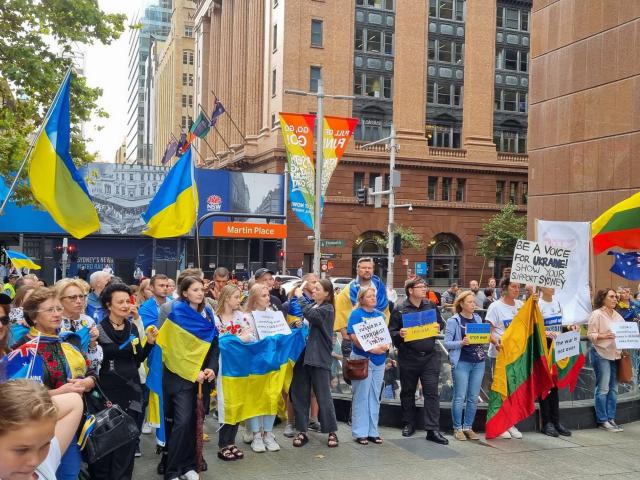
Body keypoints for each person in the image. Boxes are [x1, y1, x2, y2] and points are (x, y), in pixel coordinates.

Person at [17, 287, 96, 480]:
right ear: (34, 316)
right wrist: (59, 393)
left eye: (59, 309)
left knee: (69, 474)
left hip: (71, 426)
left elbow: (92, 371)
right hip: (35, 427)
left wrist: (87, 382)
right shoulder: (21, 348)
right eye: (50, 310)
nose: (57, 314)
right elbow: (15, 394)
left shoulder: (70, 341)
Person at [89, 283, 158, 479]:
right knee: (107, 440)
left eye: (128, 301)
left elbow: (136, 360)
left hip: (132, 390)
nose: (126, 305)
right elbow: (94, 362)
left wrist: (150, 344)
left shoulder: (132, 328)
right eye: (120, 302)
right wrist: (92, 343)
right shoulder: (98, 330)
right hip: (106, 393)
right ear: (108, 305)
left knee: (129, 439)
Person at [159, 276, 218, 480]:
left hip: (203, 378)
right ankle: (172, 470)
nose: (200, 293)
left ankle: (190, 465)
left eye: (202, 289)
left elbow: (214, 345)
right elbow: (173, 352)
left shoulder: (208, 313)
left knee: (196, 422)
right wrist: (194, 372)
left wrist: (211, 368)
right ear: (184, 293)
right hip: (180, 378)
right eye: (195, 290)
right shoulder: (175, 314)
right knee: (182, 422)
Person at [389, 277, 447, 444]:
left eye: (425, 286)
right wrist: (399, 334)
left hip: (429, 357)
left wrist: (438, 327)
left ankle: (433, 429)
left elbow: (439, 324)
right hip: (408, 357)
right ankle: (408, 424)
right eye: (421, 286)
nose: (424, 289)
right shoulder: (400, 309)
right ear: (410, 290)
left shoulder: (430, 305)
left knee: (431, 393)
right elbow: (391, 332)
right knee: (407, 392)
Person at [290, 278, 339, 448]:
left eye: (318, 289)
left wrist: (300, 297)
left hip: (318, 357)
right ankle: (302, 430)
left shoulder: (327, 308)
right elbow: (307, 319)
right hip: (303, 356)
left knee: (323, 395)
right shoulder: (314, 306)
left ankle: (332, 431)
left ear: (327, 293)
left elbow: (312, 316)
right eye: (314, 288)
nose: (314, 291)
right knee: (300, 394)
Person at [0, 380, 83, 480]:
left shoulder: (44, 465)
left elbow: (74, 401)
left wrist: (43, 411)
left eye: (45, 445)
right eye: (21, 450)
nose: (34, 461)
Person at [347, 286, 391, 445]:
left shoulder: (380, 315)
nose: (373, 298)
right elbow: (353, 335)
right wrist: (371, 348)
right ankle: (360, 432)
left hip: (379, 360)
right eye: (369, 296)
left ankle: (373, 431)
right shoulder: (356, 314)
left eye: (374, 295)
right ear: (361, 298)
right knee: (361, 395)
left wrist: (385, 347)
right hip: (363, 359)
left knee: (374, 396)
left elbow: (385, 335)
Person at [213, 284, 252, 461]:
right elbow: (217, 342)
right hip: (223, 367)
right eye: (236, 297)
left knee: (237, 402)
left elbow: (249, 336)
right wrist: (237, 339)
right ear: (227, 298)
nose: (239, 300)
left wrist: (232, 340)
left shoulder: (242, 317)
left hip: (239, 366)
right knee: (225, 402)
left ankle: (231, 442)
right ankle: (223, 444)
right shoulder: (215, 318)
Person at [244, 283, 282, 453]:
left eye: (268, 295)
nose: (268, 298)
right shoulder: (247, 316)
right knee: (255, 399)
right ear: (254, 298)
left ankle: (267, 433)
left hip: (272, 362)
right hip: (254, 363)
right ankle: (256, 435)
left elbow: (282, 334)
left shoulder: (274, 314)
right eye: (263, 296)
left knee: (271, 397)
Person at [444, 291, 486, 441]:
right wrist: (461, 343)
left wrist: (484, 338)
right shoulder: (453, 321)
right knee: (460, 396)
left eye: (474, 302)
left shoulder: (478, 318)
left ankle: (468, 426)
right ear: (461, 304)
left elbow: (482, 338)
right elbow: (447, 342)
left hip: (479, 361)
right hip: (462, 361)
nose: (473, 304)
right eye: (469, 302)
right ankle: (457, 428)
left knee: (473, 397)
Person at [485, 277, 524, 439]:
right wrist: (496, 342)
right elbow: (487, 331)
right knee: (500, 389)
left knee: (513, 390)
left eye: (518, 287)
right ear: (505, 288)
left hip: (517, 356)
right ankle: (498, 423)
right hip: (499, 355)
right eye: (513, 287)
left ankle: (509, 422)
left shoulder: (521, 306)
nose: (517, 290)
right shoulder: (495, 307)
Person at [334, 257, 390, 359]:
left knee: (379, 372)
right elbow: (339, 312)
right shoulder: (348, 290)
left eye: (370, 268)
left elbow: (386, 312)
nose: (367, 270)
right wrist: (346, 336)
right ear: (357, 270)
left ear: (373, 269)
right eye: (364, 268)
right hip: (355, 342)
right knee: (356, 374)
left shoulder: (380, 287)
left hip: (379, 339)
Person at [588, 288, 625, 432]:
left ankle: (611, 418)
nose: (615, 299)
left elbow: (624, 332)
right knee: (603, 388)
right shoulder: (596, 314)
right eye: (612, 296)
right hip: (601, 353)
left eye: (616, 297)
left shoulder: (618, 316)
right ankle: (602, 420)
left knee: (614, 389)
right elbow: (591, 334)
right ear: (603, 298)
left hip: (616, 355)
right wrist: (604, 336)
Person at [538, 287, 572, 437]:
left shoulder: (558, 303)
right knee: (545, 386)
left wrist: (570, 327)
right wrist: (545, 333)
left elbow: (561, 325)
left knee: (555, 386)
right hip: (544, 349)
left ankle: (556, 421)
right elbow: (533, 328)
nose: (553, 288)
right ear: (541, 287)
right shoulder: (537, 304)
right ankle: (546, 423)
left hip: (557, 349)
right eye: (549, 284)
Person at [56, 278, 103, 374]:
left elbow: (94, 364)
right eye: (72, 297)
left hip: (83, 377)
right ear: (59, 299)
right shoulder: (53, 321)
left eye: (81, 296)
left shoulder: (88, 321)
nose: (79, 301)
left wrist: (93, 343)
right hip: (59, 376)